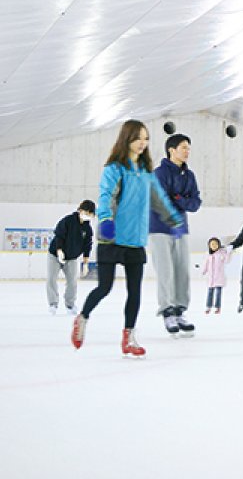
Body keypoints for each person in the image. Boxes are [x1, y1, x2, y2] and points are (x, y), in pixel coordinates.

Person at [71, 120, 184, 358]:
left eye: (146, 138)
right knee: (105, 287)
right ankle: (82, 318)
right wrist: (105, 220)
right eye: (138, 138)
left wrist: (172, 218)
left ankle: (129, 338)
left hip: (135, 240)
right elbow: (106, 195)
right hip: (111, 238)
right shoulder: (114, 168)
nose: (143, 143)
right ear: (127, 139)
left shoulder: (146, 173)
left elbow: (159, 199)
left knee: (135, 292)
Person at [148, 133, 202, 337]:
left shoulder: (189, 176)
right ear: (171, 150)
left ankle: (180, 311)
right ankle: (167, 312)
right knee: (166, 271)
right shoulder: (160, 174)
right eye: (183, 147)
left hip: (181, 228)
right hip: (160, 227)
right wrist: (182, 200)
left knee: (182, 271)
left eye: (188, 147)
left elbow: (196, 203)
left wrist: (178, 198)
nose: (187, 151)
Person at [47, 200, 95, 315]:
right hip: (55, 254)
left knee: (72, 281)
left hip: (72, 257)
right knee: (51, 278)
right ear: (80, 210)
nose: (87, 215)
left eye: (90, 214)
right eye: (85, 212)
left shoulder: (87, 229)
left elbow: (87, 245)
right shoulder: (68, 220)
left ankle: (70, 304)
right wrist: (59, 251)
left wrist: (86, 262)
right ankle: (53, 303)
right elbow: (59, 235)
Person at [202, 237, 230, 314]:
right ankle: (208, 307)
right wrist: (203, 271)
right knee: (210, 292)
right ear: (209, 245)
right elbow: (206, 263)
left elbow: (227, 261)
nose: (214, 245)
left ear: (219, 245)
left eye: (215, 244)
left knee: (218, 293)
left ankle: (218, 307)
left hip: (219, 277)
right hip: (211, 277)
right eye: (212, 244)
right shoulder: (208, 254)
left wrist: (228, 252)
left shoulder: (222, 253)